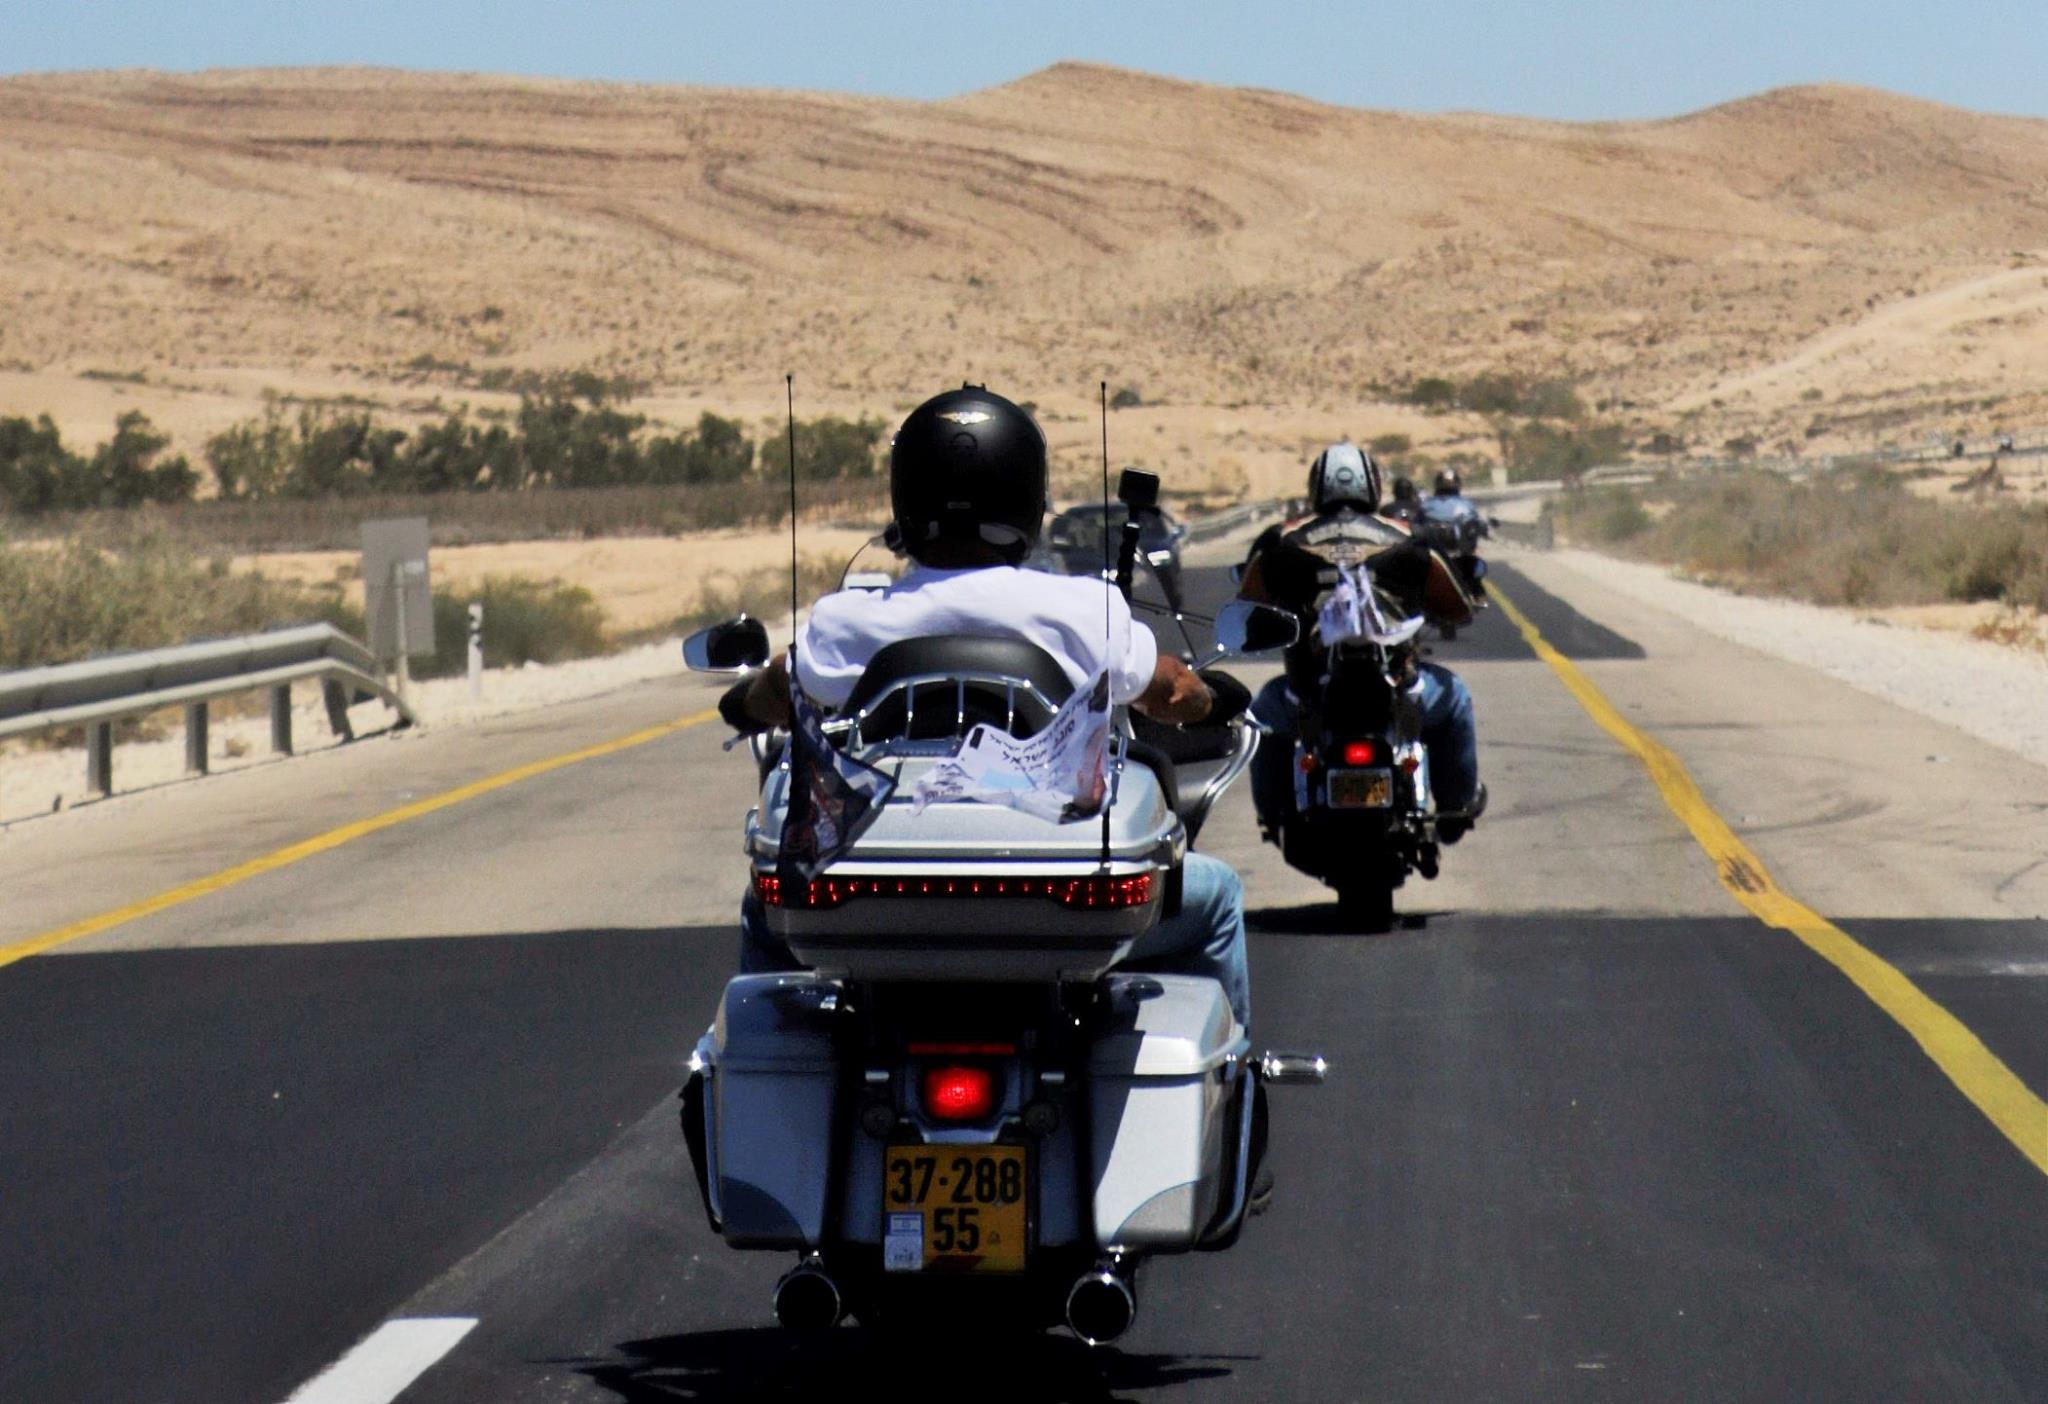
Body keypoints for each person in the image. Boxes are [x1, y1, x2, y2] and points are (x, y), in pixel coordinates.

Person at [724, 385, 1253, 1029]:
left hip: (874, 893)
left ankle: (762, 1057)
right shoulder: (1085, 610)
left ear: (905, 498)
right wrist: (1213, 697)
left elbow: (775, 689)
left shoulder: (845, 621)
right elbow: (1170, 691)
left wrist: (745, 702)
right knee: (1216, 897)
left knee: (764, 902)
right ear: (1030, 497)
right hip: (1060, 892)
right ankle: (1230, 1071)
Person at [1238, 442, 1486, 844]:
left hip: (1309, 693)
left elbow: (1246, 609)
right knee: (1454, 697)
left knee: (1263, 713)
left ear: (1316, 488)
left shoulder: (1281, 541)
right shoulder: (1410, 538)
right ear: (1373, 486)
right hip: (1397, 687)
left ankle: (1274, 817)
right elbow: (1458, 607)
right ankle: (1455, 809)